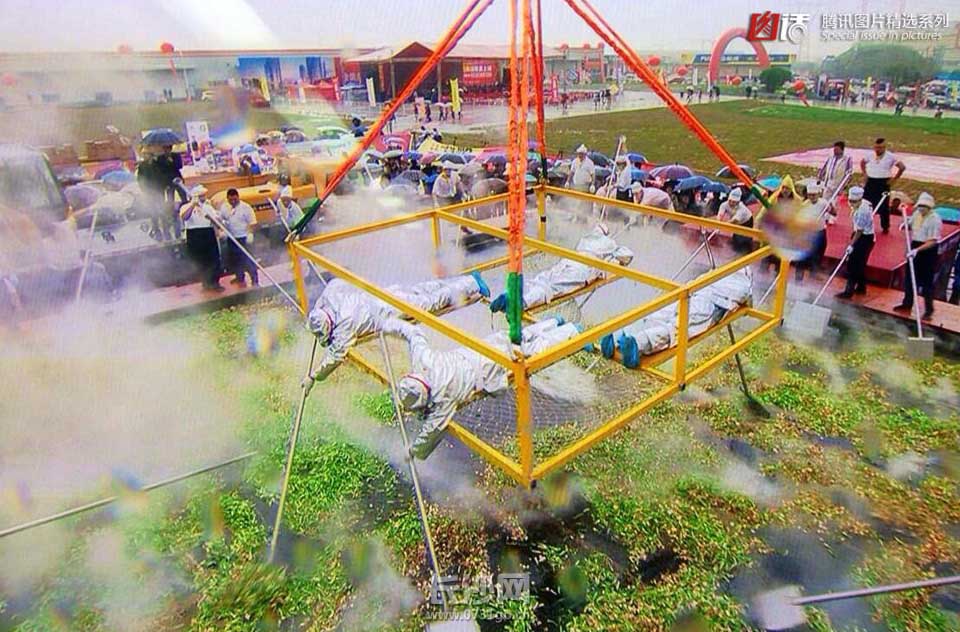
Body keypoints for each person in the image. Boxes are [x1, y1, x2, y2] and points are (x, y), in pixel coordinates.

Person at [385, 316, 581, 459]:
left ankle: (573, 332)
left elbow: (432, 431)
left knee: (530, 352)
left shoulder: (443, 398)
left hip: (488, 368)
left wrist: (412, 452)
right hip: (478, 350)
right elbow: (413, 333)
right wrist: (390, 324)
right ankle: (554, 322)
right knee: (517, 337)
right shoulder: (423, 361)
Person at [302, 271, 491, 389]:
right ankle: (463, 279)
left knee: (435, 301)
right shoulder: (331, 296)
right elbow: (334, 284)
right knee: (424, 289)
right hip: (387, 294)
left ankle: (472, 284)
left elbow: (336, 355)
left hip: (396, 308)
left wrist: (314, 376)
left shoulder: (345, 324)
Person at [600, 269, 752, 368]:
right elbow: (746, 301)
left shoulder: (716, 273)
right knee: (678, 328)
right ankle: (639, 343)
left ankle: (617, 335)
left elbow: (695, 281)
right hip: (710, 305)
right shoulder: (745, 285)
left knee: (657, 315)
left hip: (689, 294)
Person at [489, 224, 634, 312]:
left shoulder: (587, 238)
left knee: (544, 277)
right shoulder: (609, 244)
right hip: (584, 269)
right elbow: (627, 255)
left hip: (570, 259)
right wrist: (615, 254)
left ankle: (512, 295)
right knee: (553, 288)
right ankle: (522, 303)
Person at [894, 192, 942, 320]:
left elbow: (933, 241)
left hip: (927, 250)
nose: (921, 209)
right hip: (915, 245)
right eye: (920, 206)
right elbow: (910, 223)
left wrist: (917, 250)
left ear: (929, 207)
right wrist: (905, 223)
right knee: (910, 277)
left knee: (926, 281)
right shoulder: (917, 214)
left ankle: (928, 310)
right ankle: (907, 303)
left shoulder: (934, 220)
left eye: (924, 207)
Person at [179, 185, 223, 291]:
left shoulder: (207, 207)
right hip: (194, 233)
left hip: (207, 232)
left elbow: (217, 221)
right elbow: (184, 217)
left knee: (213, 258)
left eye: (204, 195)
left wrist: (215, 221)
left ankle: (215, 282)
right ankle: (206, 282)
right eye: (201, 196)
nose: (203, 197)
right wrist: (193, 205)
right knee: (200, 260)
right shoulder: (185, 206)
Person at [836, 186, 875, 298]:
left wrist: (851, 245)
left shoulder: (862, 212)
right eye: (850, 201)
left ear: (860, 200)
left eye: (854, 201)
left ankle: (849, 291)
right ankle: (861, 287)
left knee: (854, 264)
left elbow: (860, 231)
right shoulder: (863, 204)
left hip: (864, 238)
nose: (851, 203)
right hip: (859, 234)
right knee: (860, 264)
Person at [861, 138, 906, 234]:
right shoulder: (870, 155)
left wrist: (894, 179)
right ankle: (863, 224)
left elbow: (902, 167)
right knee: (865, 203)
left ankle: (885, 226)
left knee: (884, 206)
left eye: (880, 148)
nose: (878, 150)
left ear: (884, 148)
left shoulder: (891, 156)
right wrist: (865, 174)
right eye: (876, 147)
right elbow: (862, 162)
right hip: (871, 181)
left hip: (883, 182)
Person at [793, 183, 836, 280]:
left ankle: (814, 274)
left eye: (814, 195)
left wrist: (831, 207)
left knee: (818, 254)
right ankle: (798, 278)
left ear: (818, 194)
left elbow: (834, 213)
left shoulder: (824, 203)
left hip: (820, 232)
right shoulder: (804, 205)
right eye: (810, 195)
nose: (812, 197)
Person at [219, 188, 259, 287]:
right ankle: (239, 277)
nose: (233, 201)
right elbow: (220, 220)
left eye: (234, 199)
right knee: (235, 260)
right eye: (230, 200)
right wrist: (222, 231)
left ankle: (254, 279)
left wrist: (250, 234)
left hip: (244, 237)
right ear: (227, 199)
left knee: (248, 260)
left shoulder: (246, 207)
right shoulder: (224, 207)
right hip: (232, 238)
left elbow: (253, 223)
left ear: (238, 197)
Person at [716, 188, 755, 253]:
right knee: (736, 238)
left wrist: (722, 226)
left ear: (738, 202)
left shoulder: (742, 209)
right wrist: (718, 225)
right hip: (735, 221)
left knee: (745, 238)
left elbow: (734, 221)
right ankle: (736, 252)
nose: (731, 203)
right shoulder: (724, 204)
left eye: (733, 202)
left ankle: (748, 254)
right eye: (730, 200)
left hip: (746, 221)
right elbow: (720, 215)